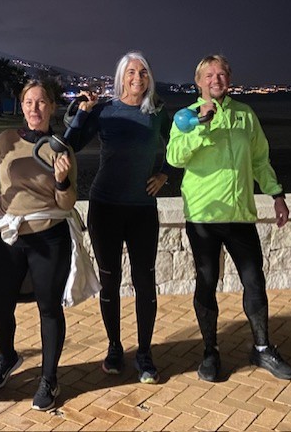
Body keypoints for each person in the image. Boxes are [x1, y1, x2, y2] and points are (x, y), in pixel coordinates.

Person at [166, 54, 291, 382]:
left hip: (239, 214)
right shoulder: (186, 116)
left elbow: (260, 159)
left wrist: (276, 194)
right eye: (209, 75)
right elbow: (174, 157)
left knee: (254, 280)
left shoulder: (245, 115)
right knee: (207, 282)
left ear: (229, 79)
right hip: (203, 216)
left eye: (221, 74)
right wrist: (200, 127)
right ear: (198, 82)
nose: (216, 80)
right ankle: (210, 352)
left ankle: (262, 347)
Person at [64, 51, 176, 384]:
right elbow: (70, 145)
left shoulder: (156, 112)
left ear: (149, 77)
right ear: (121, 77)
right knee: (109, 280)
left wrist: (165, 174)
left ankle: (144, 354)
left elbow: (180, 144)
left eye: (143, 72)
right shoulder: (105, 110)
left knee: (145, 281)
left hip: (142, 209)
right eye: (131, 72)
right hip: (105, 207)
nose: (137, 77)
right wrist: (82, 112)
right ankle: (114, 347)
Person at [0, 80, 76, 412]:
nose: (35, 108)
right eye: (29, 102)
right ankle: (7, 356)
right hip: (8, 235)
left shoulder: (61, 149)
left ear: (51, 107)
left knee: (49, 308)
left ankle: (49, 379)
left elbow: (67, 203)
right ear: (22, 107)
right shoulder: (6, 140)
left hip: (49, 236)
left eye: (41, 102)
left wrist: (62, 180)